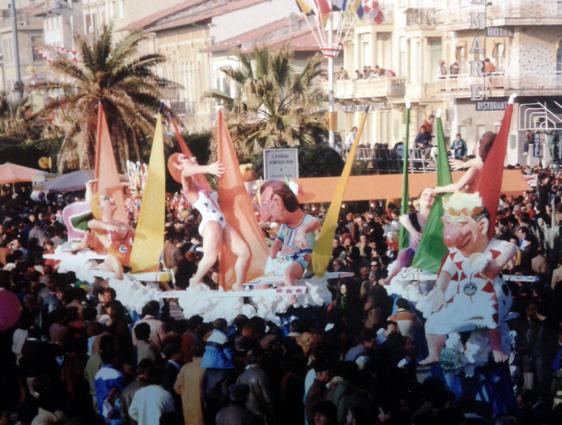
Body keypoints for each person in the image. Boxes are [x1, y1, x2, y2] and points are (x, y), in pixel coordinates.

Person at [419, 192, 517, 365]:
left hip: (492, 298)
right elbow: (445, 274)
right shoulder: (455, 254)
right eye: (449, 223)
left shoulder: (500, 246)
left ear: (482, 225)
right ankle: (434, 353)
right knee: (432, 322)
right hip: (465, 299)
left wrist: (488, 266)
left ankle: (496, 348)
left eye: (462, 223)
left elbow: (495, 267)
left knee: (490, 309)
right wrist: (440, 290)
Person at [170, 153, 250, 291]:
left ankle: (238, 284)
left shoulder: (200, 184)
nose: (189, 158)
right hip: (211, 222)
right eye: (184, 158)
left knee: (244, 252)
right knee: (210, 257)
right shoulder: (187, 185)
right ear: (178, 166)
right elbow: (186, 172)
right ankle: (195, 282)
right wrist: (208, 168)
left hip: (221, 221)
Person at [259, 180, 321, 284]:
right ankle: (260, 297)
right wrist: (270, 262)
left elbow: (317, 222)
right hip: (285, 259)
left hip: (303, 258)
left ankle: (291, 296)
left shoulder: (306, 219)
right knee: (267, 277)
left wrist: (303, 231)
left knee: (288, 273)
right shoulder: (284, 226)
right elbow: (276, 244)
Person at [381, 188, 435, 285]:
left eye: (432, 195)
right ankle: (389, 278)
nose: (429, 197)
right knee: (405, 253)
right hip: (415, 256)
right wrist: (413, 232)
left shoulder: (439, 219)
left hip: (433, 258)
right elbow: (403, 218)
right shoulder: (413, 217)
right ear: (418, 200)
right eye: (425, 194)